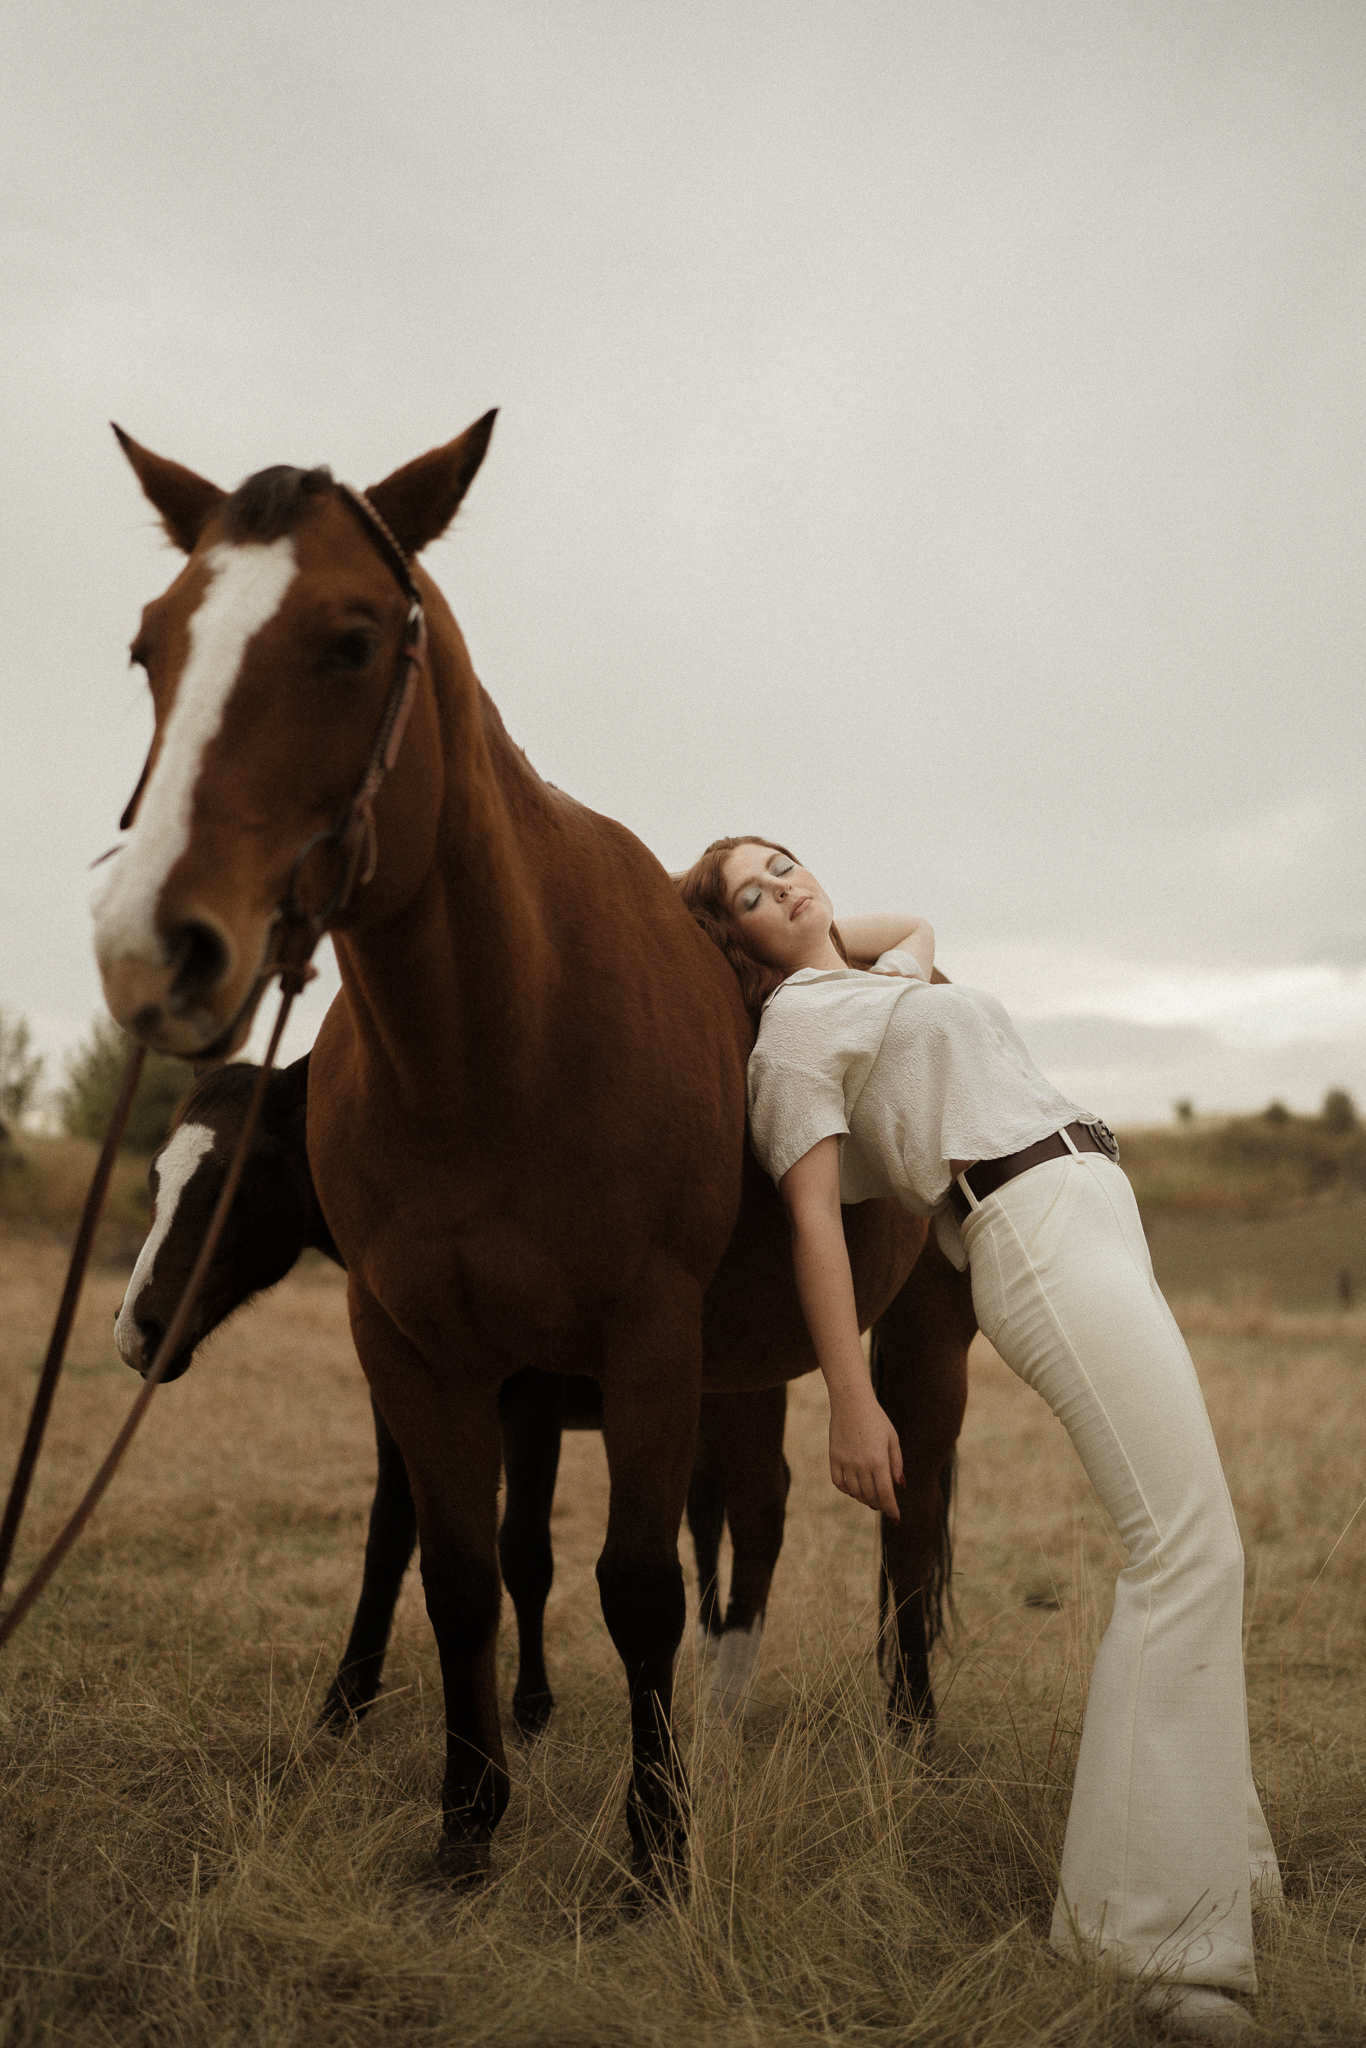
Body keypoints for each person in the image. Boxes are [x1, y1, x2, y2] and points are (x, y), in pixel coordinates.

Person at [678, 836, 1280, 2044]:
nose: (788, 884)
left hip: (1094, 1200)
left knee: (1201, 1543)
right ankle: (1152, 1943)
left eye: (787, 859)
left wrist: (812, 922)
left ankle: (1223, 1870)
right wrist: (853, 1394)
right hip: (1019, 1219)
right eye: (752, 891)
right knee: (1181, 1550)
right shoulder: (795, 1034)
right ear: (734, 945)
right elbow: (810, 1222)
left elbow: (917, 922)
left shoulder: (878, 981)